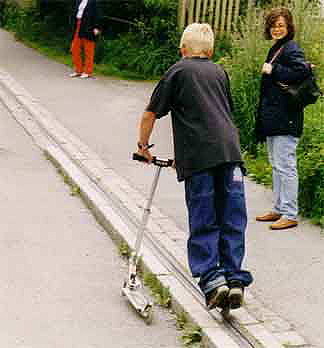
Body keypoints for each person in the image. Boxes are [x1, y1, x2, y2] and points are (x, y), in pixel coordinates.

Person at [135, 23, 253, 310]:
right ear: (210, 50)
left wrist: (143, 147)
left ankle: (213, 281)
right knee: (232, 217)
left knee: (204, 217)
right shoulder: (219, 72)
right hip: (230, 155)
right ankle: (234, 279)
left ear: (182, 49)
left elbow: (151, 113)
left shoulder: (178, 70)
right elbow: (219, 115)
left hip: (200, 159)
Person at [255, 8, 311, 230]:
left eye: (281, 25)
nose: (277, 29)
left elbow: (301, 71)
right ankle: (279, 208)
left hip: (287, 117)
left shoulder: (291, 48)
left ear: (289, 27)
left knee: (286, 166)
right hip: (276, 118)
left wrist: (274, 69)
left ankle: (290, 213)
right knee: (277, 164)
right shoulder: (277, 48)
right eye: (274, 25)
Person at [69, 0, 101, 79]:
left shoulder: (94, 2)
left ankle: (87, 72)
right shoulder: (78, 1)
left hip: (89, 27)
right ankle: (78, 70)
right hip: (78, 26)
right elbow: (74, 14)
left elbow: (98, 15)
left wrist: (97, 27)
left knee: (89, 50)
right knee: (74, 49)